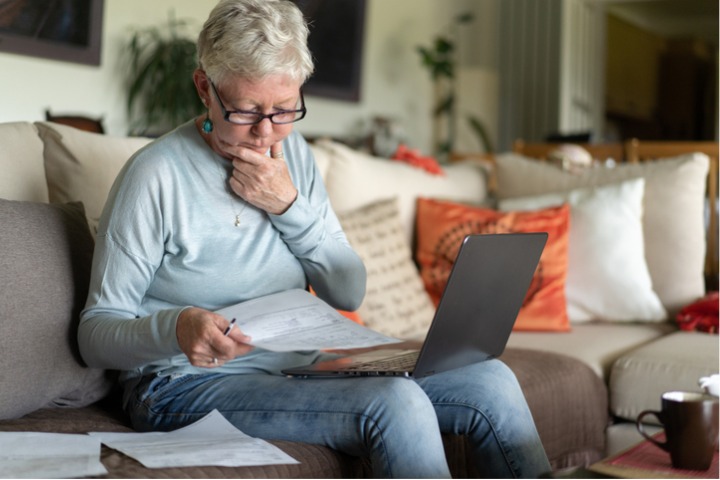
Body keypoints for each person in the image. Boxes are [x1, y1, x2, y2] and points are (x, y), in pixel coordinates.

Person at [78, 0, 551, 477]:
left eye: (284, 110)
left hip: (295, 366)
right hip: (179, 386)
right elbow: (95, 333)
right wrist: (176, 328)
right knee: (396, 403)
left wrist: (288, 205)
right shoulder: (154, 175)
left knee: (491, 380)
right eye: (245, 110)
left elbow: (348, 290)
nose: (266, 132)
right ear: (205, 87)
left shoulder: (295, 154)